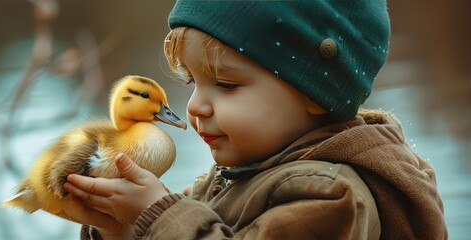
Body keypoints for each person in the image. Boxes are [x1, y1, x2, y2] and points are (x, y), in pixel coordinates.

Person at [62, 1, 448, 239]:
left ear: (314, 92)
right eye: (192, 81)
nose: (195, 106)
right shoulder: (238, 173)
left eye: (226, 85)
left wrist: (159, 215)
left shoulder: (330, 196)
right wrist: (122, 228)